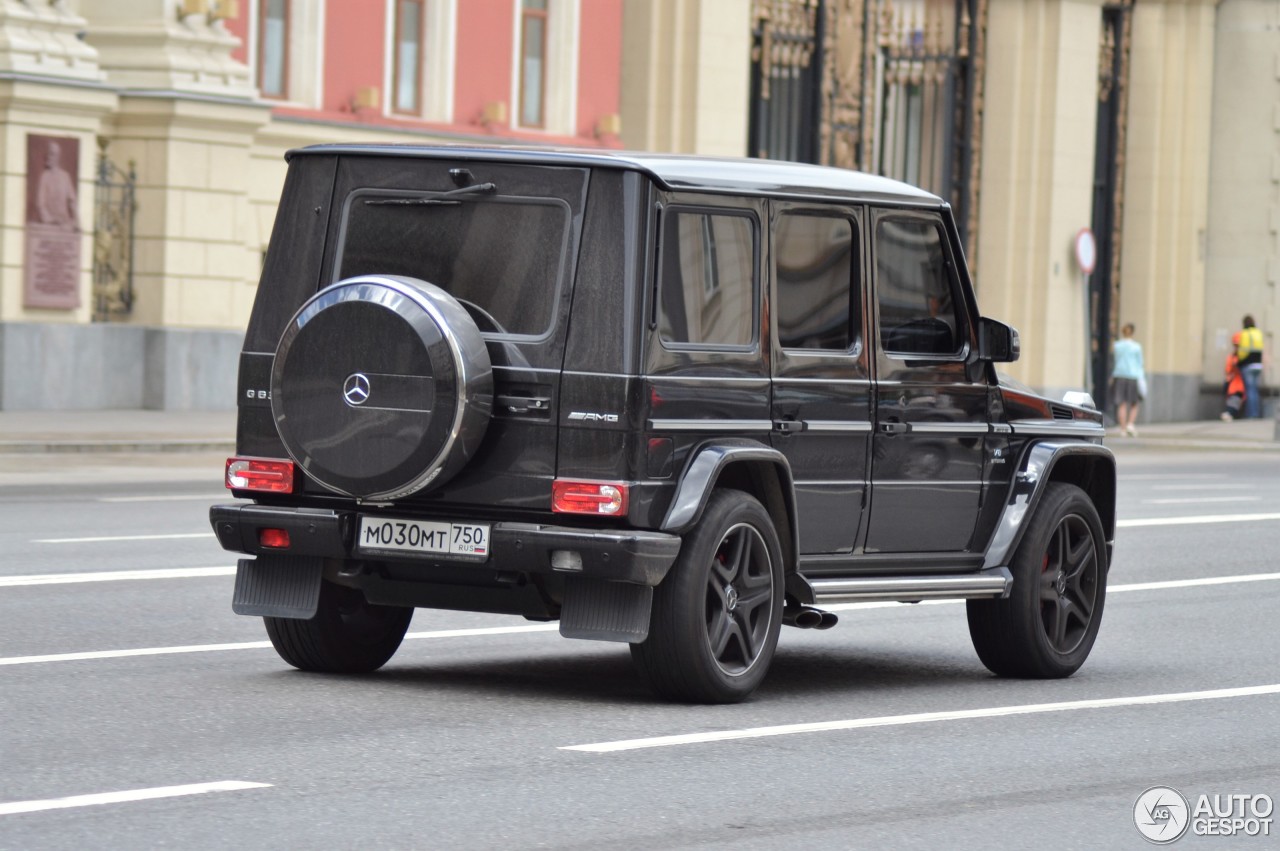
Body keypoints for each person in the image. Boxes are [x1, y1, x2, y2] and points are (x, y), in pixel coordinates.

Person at [1111, 322, 1144, 436]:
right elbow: (1140, 363)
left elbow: (1115, 360)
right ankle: (1130, 423)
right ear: (1133, 332)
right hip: (1132, 376)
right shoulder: (1136, 347)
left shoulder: (1117, 346)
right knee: (1134, 403)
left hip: (1119, 375)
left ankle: (1123, 428)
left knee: (1122, 403)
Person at [35, 140, 77, 229]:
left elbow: (72, 201)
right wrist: (50, 220)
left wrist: (77, 220)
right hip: (49, 225)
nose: (48, 157)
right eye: (48, 154)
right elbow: (40, 203)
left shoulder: (65, 177)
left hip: (64, 224)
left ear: (58, 157)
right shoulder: (45, 176)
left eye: (52, 154)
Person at [1231, 314, 1264, 418]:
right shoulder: (1258, 333)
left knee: (1250, 391)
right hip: (1258, 365)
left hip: (1248, 365)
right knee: (1254, 390)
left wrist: (1239, 362)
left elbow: (1242, 352)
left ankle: (1251, 415)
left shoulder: (1244, 334)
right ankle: (1256, 413)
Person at [1221, 352, 1245, 421]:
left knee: (1234, 402)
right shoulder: (1232, 358)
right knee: (1233, 403)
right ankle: (1229, 414)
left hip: (1235, 388)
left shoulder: (1233, 359)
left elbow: (1228, 370)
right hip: (1235, 388)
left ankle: (1229, 414)